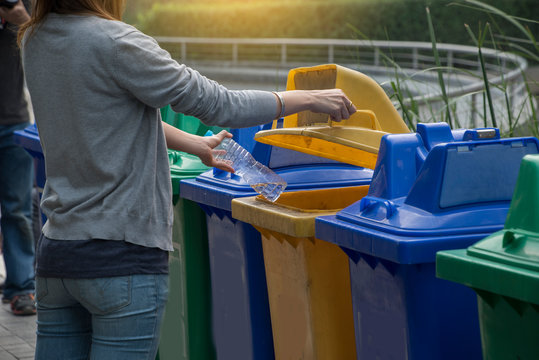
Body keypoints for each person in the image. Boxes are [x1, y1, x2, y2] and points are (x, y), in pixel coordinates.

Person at [18, 0, 357, 358]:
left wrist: (196, 144)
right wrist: (310, 98)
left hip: (57, 253)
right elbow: (221, 104)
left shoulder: (35, 39)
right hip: (119, 255)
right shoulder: (116, 42)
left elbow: (105, 114)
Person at [0, 0, 36, 316]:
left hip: (14, 121)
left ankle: (22, 287)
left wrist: (15, 14)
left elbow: (40, 36)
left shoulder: (22, 9)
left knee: (18, 210)